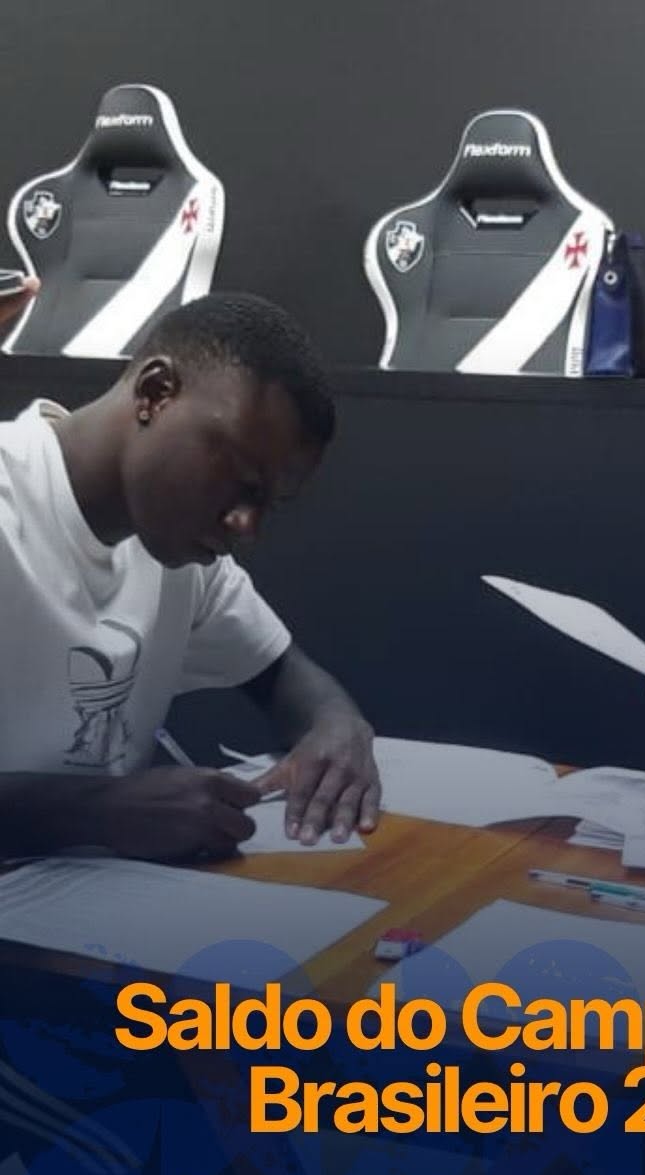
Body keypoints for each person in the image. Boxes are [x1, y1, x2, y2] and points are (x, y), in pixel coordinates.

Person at [0, 289, 381, 862]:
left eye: (267, 504)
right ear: (155, 394)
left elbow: (286, 676)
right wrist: (94, 810)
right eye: (242, 482)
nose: (246, 525)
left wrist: (339, 725)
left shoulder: (178, 552)